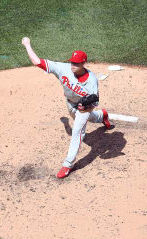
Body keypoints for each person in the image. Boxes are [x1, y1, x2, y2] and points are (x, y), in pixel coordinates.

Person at [21, 37, 112, 179]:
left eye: (76, 63)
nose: (73, 65)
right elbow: (37, 62)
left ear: (83, 63)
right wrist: (27, 44)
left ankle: (67, 164)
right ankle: (102, 116)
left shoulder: (92, 81)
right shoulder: (62, 68)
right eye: (72, 62)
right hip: (70, 103)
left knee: (77, 131)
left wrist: (85, 108)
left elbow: (94, 102)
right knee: (77, 124)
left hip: (84, 109)